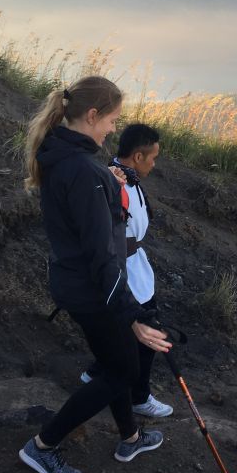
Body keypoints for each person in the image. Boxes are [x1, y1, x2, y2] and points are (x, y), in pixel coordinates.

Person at [18, 76, 172, 473]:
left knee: (113, 363)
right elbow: (100, 253)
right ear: (91, 116)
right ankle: (44, 444)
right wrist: (132, 314)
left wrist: (105, 184)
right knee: (121, 371)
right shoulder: (86, 171)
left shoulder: (63, 155)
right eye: (111, 121)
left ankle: (131, 436)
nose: (112, 129)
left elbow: (82, 214)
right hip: (94, 290)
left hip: (74, 283)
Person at [80, 124, 173, 418]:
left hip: (134, 265)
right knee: (146, 333)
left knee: (122, 329)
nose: (154, 164)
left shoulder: (126, 178)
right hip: (124, 269)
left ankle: (97, 371)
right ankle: (138, 397)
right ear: (137, 156)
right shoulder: (113, 182)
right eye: (152, 158)